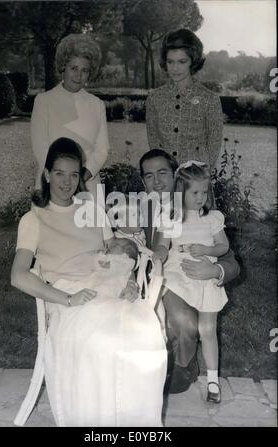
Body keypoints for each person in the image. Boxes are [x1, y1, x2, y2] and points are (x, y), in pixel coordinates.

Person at [11, 137, 167, 427]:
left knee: (144, 333)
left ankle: (133, 423)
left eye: (73, 174)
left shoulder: (92, 211)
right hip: (69, 296)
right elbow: (18, 275)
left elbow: (117, 253)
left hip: (109, 285)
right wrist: (67, 298)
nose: (66, 182)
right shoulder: (34, 220)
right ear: (46, 175)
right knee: (104, 340)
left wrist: (129, 280)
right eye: (59, 173)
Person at [139, 149, 240, 393]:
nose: (157, 181)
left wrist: (214, 270)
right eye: (149, 175)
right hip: (150, 280)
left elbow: (231, 262)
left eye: (163, 172)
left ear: (176, 177)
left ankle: (182, 366)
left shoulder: (203, 213)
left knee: (185, 322)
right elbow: (123, 242)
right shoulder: (137, 209)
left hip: (189, 280)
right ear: (143, 181)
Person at [156, 160, 229, 403]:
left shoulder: (212, 218)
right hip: (179, 272)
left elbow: (223, 247)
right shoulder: (171, 217)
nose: (201, 197)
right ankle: (168, 367)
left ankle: (213, 382)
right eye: (195, 192)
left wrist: (206, 248)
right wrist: (157, 256)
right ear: (181, 192)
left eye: (204, 192)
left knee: (207, 330)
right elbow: (163, 246)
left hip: (205, 273)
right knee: (176, 312)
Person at [31, 33, 109, 200]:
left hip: (88, 186)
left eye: (85, 70)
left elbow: (102, 149)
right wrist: (63, 179)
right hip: (52, 186)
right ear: (63, 67)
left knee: (92, 226)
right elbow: (40, 148)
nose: (78, 75)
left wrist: (81, 178)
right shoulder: (44, 101)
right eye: (73, 68)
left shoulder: (97, 104)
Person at [146, 29, 223, 169]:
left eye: (182, 61)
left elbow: (214, 146)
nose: (175, 68)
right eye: (170, 62)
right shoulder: (154, 99)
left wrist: (197, 179)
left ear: (193, 61)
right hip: (165, 183)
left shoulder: (210, 100)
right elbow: (154, 145)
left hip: (197, 184)